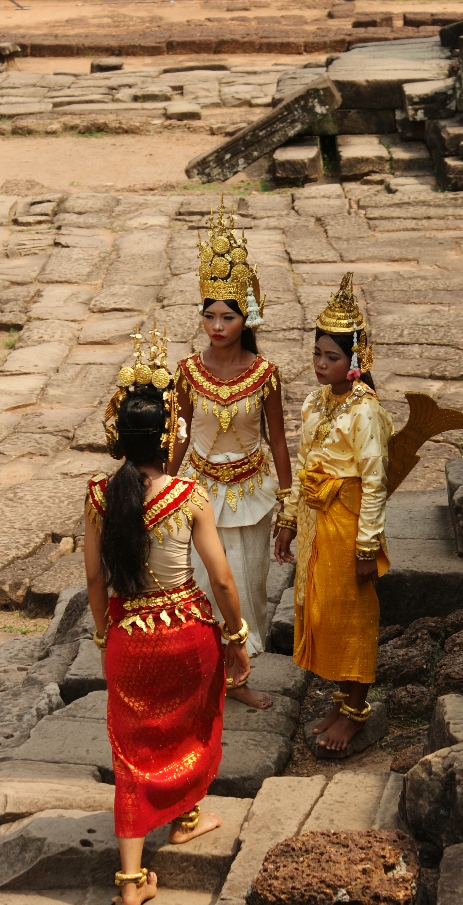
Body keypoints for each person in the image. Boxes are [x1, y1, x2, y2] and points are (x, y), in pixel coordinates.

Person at [84, 326, 251, 905]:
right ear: (169, 436)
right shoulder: (188, 496)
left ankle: (131, 881)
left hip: (130, 640)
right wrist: (236, 637)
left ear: (118, 438)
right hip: (186, 635)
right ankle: (186, 817)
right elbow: (223, 580)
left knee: (132, 752)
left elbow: (95, 581)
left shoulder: (101, 498)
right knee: (188, 725)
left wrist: (106, 636)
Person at [169, 197, 292, 711]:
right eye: (210, 315)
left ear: (248, 318)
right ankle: (200, 678)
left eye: (228, 316)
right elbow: (176, 436)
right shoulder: (186, 371)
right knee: (197, 586)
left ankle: (237, 680)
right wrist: (158, 489)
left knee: (245, 586)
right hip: (197, 493)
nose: (217, 325)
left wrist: (289, 506)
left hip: (251, 496)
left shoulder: (265, 375)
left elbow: (280, 440)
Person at [274, 273, 393, 753]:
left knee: (353, 612)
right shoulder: (313, 402)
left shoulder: (366, 413)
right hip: (315, 519)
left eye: (333, 357)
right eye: (317, 354)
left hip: (349, 524)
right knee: (323, 612)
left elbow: (376, 482)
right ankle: (342, 698)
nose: (321, 365)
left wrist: (369, 546)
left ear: (356, 362)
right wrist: (288, 522)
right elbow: (303, 465)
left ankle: (358, 711)